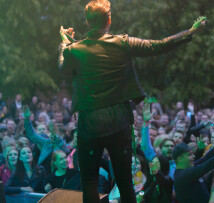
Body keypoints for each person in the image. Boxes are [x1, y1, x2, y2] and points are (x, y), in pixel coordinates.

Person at [58, 0, 206, 202]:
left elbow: (63, 69)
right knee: (125, 183)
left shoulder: (74, 49)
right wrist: (190, 32)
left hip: (89, 123)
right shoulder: (123, 43)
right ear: (109, 20)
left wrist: (65, 43)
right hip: (118, 121)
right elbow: (158, 46)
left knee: (90, 184)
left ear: (86, 22)